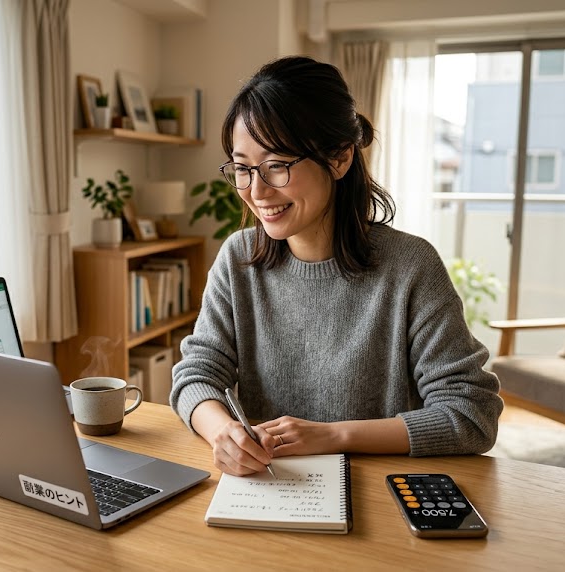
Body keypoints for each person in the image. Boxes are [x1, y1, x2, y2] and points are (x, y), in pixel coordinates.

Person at [170, 56, 503, 477]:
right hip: (269, 490)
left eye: (276, 165)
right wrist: (221, 432)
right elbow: (196, 374)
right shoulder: (238, 258)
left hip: (379, 500)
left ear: (340, 158)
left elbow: (472, 414)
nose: (256, 191)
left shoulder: (410, 267)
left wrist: (335, 436)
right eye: (242, 168)